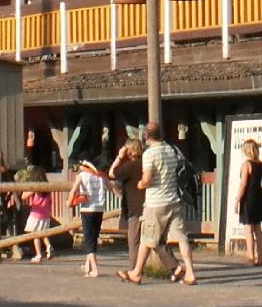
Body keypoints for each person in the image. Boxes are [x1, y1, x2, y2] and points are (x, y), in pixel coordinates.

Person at [118, 121, 197, 286]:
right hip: (174, 200)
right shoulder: (172, 150)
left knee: (147, 239)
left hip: (155, 202)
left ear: (146, 136)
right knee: (182, 238)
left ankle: (136, 272)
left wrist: (140, 184)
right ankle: (190, 272)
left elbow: (147, 179)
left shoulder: (149, 154)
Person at [234, 137, 262, 266]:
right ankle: (260, 258)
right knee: (258, 229)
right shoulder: (261, 164)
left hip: (248, 198)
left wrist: (237, 200)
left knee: (248, 228)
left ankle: (251, 257)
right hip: (259, 197)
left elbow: (243, 184)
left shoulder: (247, 165)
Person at [108, 135, 144, 266]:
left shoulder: (130, 166)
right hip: (149, 205)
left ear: (129, 150)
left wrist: (119, 156)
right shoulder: (146, 163)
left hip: (135, 208)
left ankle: (134, 268)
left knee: (134, 240)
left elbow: (111, 173)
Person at [70, 159, 108, 278]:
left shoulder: (82, 175)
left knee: (89, 239)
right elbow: (112, 187)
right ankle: (88, 265)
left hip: (87, 209)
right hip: (99, 209)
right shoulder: (101, 176)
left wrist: (69, 202)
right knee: (94, 237)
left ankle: (95, 269)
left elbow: (73, 190)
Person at [24, 180, 56, 262]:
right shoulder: (47, 190)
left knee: (35, 235)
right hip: (46, 215)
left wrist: (29, 188)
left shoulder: (36, 188)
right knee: (42, 233)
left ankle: (38, 255)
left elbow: (23, 196)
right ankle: (49, 246)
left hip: (36, 214)